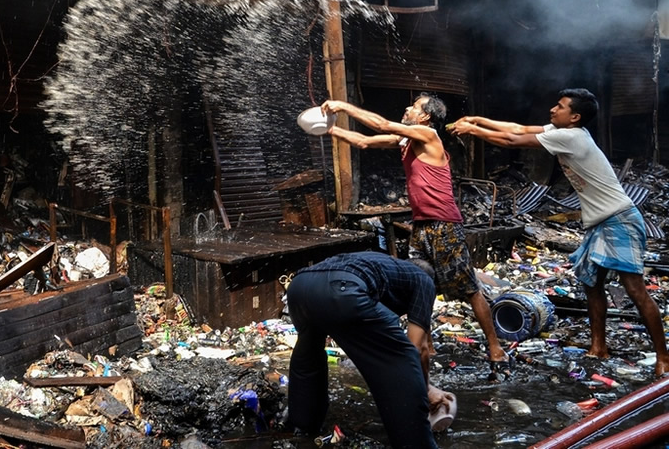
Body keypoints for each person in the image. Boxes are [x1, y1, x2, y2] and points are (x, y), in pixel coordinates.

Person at [451, 88, 669, 376]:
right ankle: (598, 347)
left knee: (635, 290)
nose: (554, 109)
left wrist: (473, 131)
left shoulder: (571, 137)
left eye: (560, 106)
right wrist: (478, 120)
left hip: (619, 220)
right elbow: (518, 127)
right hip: (599, 223)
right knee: (592, 285)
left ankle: (663, 357)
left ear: (575, 117)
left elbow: (513, 139)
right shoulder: (563, 130)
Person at [320, 95, 510, 375]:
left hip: (444, 225)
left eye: (414, 107)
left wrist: (344, 106)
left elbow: (382, 124)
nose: (407, 108)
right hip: (421, 226)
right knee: (419, 284)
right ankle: (428, 345)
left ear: (424, 117)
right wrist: (330, 130)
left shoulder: (428, 134)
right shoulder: (407, 140)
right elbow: (363, 141)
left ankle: (495, 347)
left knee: (469, 289)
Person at [286, 251, 448, 448]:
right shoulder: (424, 280)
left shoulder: (387, 267)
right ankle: (416, 443)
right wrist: (426, 389)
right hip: (343, 288)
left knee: (309, 353)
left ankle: (302, 427)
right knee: (401, 358)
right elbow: (417, 346)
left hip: (299, 287)